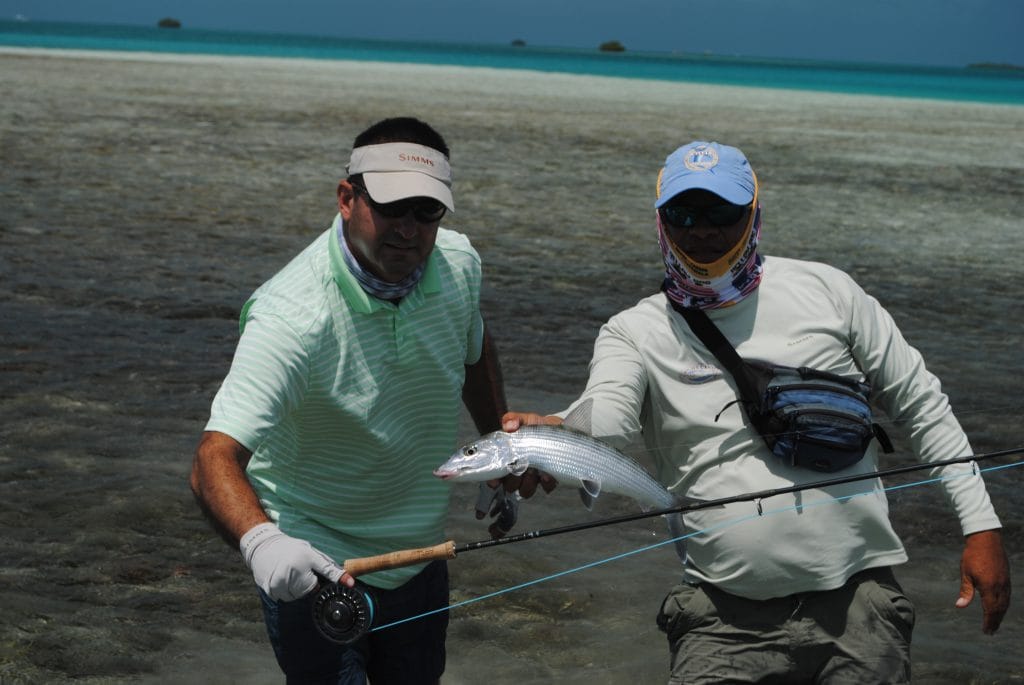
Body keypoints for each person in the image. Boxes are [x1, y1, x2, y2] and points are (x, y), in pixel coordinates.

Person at [502, 141, 1010, 684]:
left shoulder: (830, 292)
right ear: (661, 220)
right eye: (684, 213)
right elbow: (607, 419)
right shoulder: (633, 330)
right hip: (720, 619)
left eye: (723, 213)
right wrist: (554, 433)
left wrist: (981, 526)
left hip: (860, 605)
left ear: (753, 214)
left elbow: (921, 404)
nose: (703, 230)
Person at [189, 116, 508, 685]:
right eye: (390, 207)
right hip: (315, 565)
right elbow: (213, 458)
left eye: (426, 211)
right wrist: (263, 543)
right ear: (346, 198)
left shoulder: (459, 264)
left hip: (421, 559)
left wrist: (498, 451)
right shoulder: (291, 316)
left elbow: (473, 350)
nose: (408, 230)